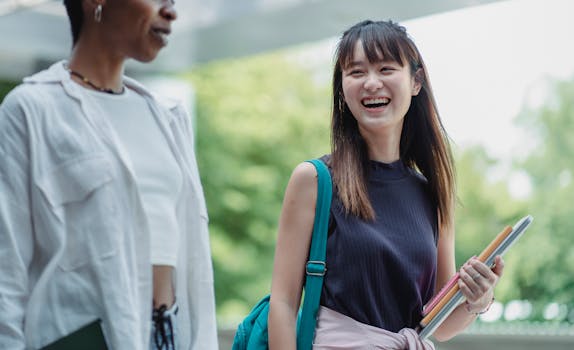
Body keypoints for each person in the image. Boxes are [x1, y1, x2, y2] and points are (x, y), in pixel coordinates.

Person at [267, 20, 504, 349]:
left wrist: (477, 301)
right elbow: (282, 303)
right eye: (356, 72)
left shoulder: (433, 194)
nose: (372, 83)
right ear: (341, 88)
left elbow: (440, 324)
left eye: (386, 68)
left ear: (415, 81)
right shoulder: (314, 180)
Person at [0, 0, 217, 349]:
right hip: (76, 337)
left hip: (168, 336)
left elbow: (193, 256)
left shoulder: (169, 117)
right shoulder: (31, 109)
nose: (171, 11)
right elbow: (6, 268)